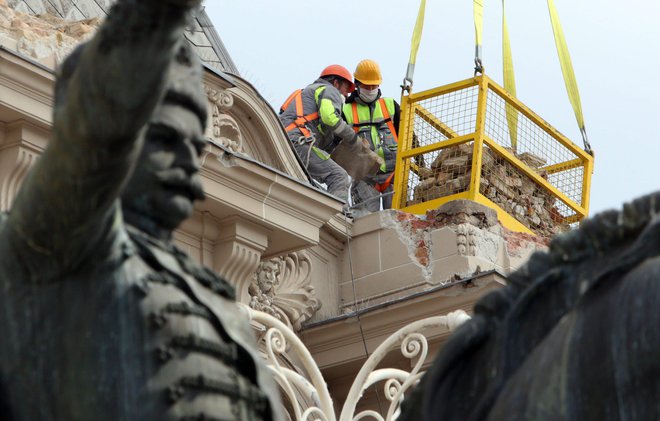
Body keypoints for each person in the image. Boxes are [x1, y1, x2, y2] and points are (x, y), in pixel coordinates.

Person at [0, 1, 282, 420]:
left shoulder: (215, 301)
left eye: (197, 147)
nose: (188, 161)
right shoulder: (62, 247)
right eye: (166, 140)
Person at [279, 65, 360, 204]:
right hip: (299, 143)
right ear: (336, 83)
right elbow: (329, 118)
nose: (347, 95)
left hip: (284, 142)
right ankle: (339, 218)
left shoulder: (304, 93)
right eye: (347, 89)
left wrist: (334, 141)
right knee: (339, 176)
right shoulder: (329, 90)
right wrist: (353, 138)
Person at [343, 59, 401, 213]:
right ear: (357, 84)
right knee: (367, 224)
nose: (370, 89)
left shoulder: (390, 105)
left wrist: (419, 163)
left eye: (374, 85)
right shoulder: (346, 110)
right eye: (366, 86)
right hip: (365, 177)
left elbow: (408, 137)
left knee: (399, 220)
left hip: (394, 173)